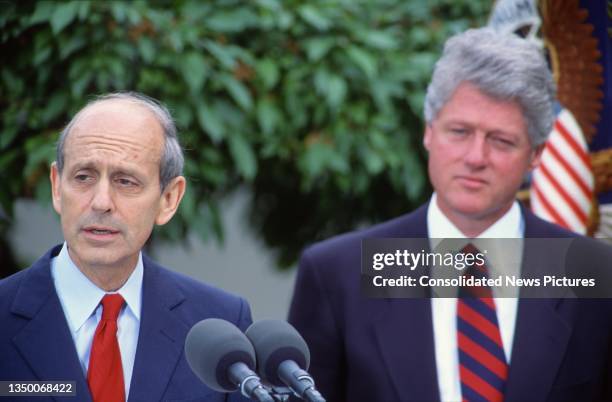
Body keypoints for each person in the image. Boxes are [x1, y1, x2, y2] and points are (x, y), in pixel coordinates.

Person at [288, 28, 612, 402]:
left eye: (501, 140)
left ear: (536, 154)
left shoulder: (592, 273)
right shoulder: (339, 274)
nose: (476, 157)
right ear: (428, 132)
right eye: (459, 131)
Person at [0, 92, 252, 402]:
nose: (101, 202)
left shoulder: (220, 324)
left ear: (169, 199)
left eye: (125, 181)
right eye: (83, 177)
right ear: (56, 186)